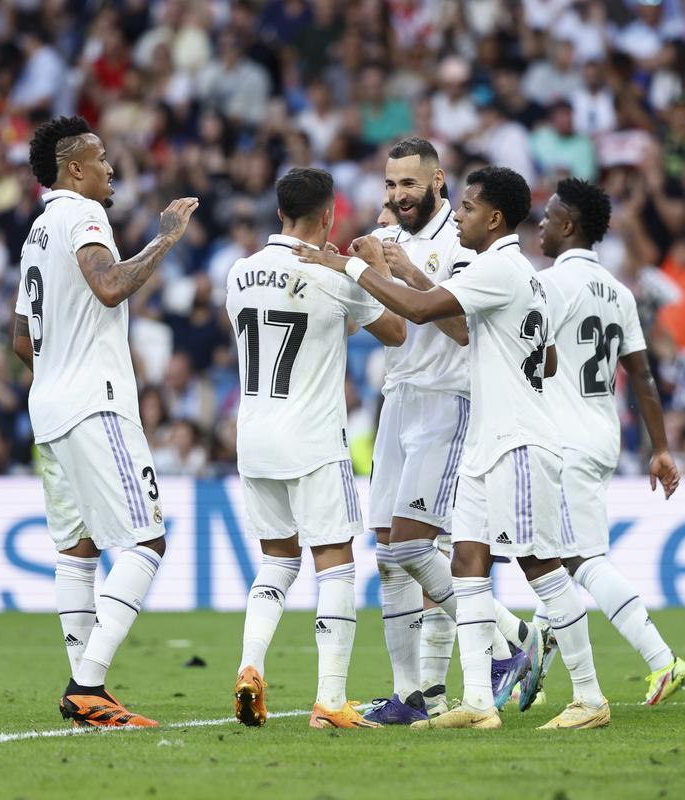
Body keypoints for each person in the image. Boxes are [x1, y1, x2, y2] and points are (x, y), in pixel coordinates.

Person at [296, 166, 610, 730]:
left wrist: (349, 265)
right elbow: (549, 357)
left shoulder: (498, 268)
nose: (458, 216)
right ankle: (479, 704)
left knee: (540, 565)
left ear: (494, 219)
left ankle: (589, 697)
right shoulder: (525, 275)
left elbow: (417, 312)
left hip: (518, 441)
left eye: (466, 209)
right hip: (487, 442)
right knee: (466, 564)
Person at [11, 116, 198, 727]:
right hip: (96, 401)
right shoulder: (81, 216)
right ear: (74, 169)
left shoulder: (36, 230)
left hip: (49, 406)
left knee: (78, 550)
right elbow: (111, 286)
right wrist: (166, 237)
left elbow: (20, 340)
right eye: (101, 157)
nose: (110, 167)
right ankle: (87, 685)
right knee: (146, 540)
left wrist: (59, 361)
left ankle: (88, 689)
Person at [358, 138, 533, 725]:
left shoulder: (461, 241)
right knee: (389, 555)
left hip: (448, 403)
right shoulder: (390, 238)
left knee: (414, 543)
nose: (397, 196)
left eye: (408, 184)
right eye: (389, 185)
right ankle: (412, 695)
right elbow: (396, 330)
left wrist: (404, 275)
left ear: (438, 182)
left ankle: (510, 639)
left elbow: (461, 330)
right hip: (398, 399)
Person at [227, 167, 406, 730]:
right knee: (334, 562)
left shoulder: (239, 273)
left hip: (254, 437)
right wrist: (370, 266)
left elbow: (309, 328)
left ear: (279, 211)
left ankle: (250, 665)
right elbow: (396, 330)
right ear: (329, 214)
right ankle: (331, 699)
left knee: (276, 561)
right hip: (311, 440)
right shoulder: (334, 277)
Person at [533, 177, 685, 705]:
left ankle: (661, 659)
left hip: (564, 437)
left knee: (580, 560)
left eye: (549, 217)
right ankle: (527, 668)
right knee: (555, 555)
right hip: (603, 434)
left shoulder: (550, 285)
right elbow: (642, 376)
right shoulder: (618, 290)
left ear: (569, 226)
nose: (541, 225)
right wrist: (661, 448)